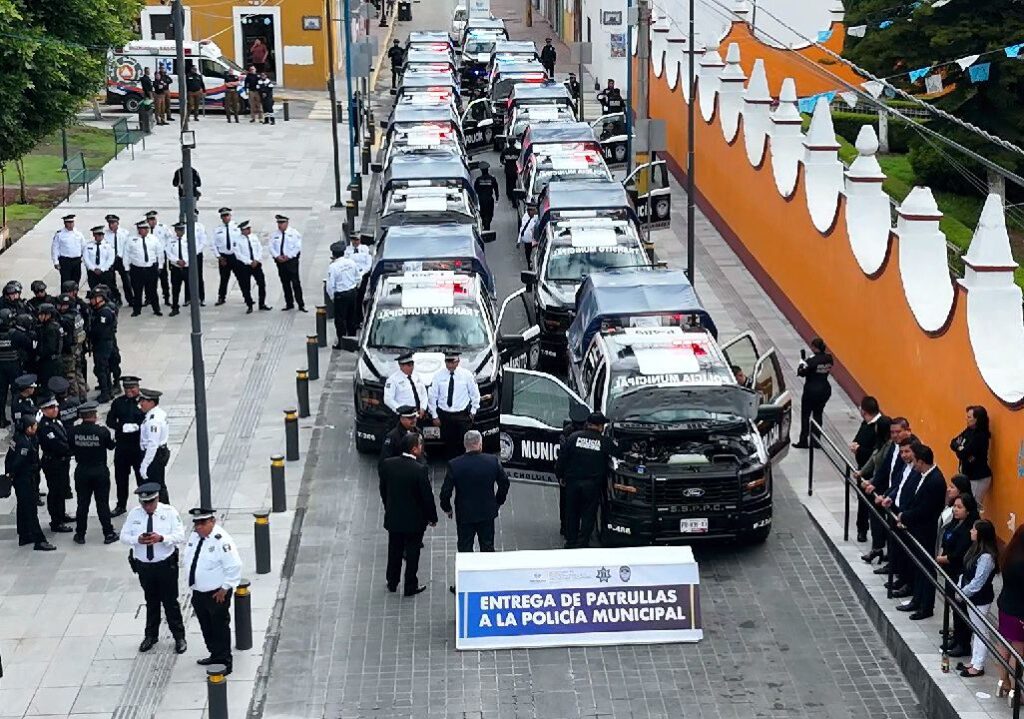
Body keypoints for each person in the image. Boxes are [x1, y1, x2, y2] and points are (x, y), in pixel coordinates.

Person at [121, 483, 188, 654]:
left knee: (170, 602)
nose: (147, 507)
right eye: (144, 503)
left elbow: (180, 535)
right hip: (144, 566)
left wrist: (162, 538)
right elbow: (124, 536)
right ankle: (151, 635)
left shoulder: (169, 512)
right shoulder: (135, 514)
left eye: (150, 503)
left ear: (157, 499)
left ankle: (179, 636)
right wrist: (137, 539)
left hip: (165, 565)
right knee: (151, 601)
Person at [440, 430, 509, 592]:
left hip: (465, 514)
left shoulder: (455, 464)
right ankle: (488, 581)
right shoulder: (492, 461)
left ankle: (465, 583)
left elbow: (445, 492)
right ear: (480, 444)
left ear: (465, 445)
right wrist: (498, 502)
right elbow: (504, 483)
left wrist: (447, 508)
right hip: (487, 512)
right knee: (487, 546)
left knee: (465, 549)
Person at [184, 507, 242, 675]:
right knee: (206, 626)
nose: (198, 527)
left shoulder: (221, 541)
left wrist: (225, 588)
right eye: (196, 523)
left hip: (216, 593)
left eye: (202, 523)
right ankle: (215, 655)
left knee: (219, 627)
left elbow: (234, 565)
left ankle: (224, 662)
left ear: (212, 521)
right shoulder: (195, 536)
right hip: (198, 592)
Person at [378, 433, 437, 596]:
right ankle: (410, 585)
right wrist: (432, 517)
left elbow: (383, 489)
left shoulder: (388, 465)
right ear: (414, 449)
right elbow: (426, 496)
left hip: (394, 518)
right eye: (420, 445)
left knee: (394, 550)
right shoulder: (419, 469)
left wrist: (388, 506)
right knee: (413, 553)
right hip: (414, 521)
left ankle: (392, 582)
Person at [894, 443, 946, 620]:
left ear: (922, 461)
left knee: (926, 568)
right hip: (918, 529)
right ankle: (917, 600)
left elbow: (925, 509)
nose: (912, 463)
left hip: (926, 532)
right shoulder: (924, 476)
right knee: (919, 567)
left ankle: (926, 606)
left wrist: (905, 516)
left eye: (914, 460)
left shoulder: (935, 480)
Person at [557, 412, 615, 549]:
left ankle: (571, 542)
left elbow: (562, 459)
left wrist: (560, 476)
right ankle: (582, 543)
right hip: (592, 486)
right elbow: (618, 452)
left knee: (572, 513)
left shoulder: (573, 438)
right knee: (588, 515)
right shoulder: (604, 442)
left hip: (573, 484)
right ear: (600, 426)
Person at [858, 417, 911, 563]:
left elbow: (901, 479)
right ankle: (878, 548)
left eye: (898, 432)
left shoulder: (910, 448)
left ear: (907, 431)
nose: (894, 435)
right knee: (877, 513)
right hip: (890, 490)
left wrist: (887, 495)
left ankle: (891, 559)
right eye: (892, 432)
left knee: (895, 527)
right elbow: (886, 467)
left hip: (898, 494)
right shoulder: (894, 445)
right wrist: (873, 483)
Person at [953, 519, 999, 678]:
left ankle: (978, 665)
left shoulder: (986, 557)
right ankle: (974, 661)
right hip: (971, 596)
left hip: (980, 598)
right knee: (976, 629)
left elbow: (979, 581)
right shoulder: (975, 550)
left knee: (981, 631)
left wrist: (963, 593)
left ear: (981, 534)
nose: (971, 531)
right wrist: (960, 588)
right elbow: (966, 572)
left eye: (974, 529)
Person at [937, 493, 980, 657]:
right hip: (949, 571)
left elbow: (960, 554)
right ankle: (956, 638)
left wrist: (943, 559)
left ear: (968, 510)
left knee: (961, 609)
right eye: (954, 506)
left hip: (960, 573)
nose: (955, 509)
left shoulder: (969, 529)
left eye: (959, 507)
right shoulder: (954, 524)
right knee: (953, 607)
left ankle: (963, 643)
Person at [69, 400, 117, 544]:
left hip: (82, 470)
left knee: (82, 504)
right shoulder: (102, 431)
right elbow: (111, 446)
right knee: (102, 503)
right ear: (94, 415)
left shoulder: (74, 431)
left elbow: (70, 447)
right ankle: (108, 533)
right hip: (99, 470)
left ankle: (80, 534)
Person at [5, 416, 56, 550]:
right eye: (34, 426)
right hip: (25, 479)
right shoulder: (25, 444)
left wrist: (9, 472)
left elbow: (9, 457)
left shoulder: (16, 438)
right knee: (30, 509)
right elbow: (18, 462)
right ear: (28, 428)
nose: (36, 428)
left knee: (22, 507)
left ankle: (24, 535)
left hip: (19, 480)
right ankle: (39, 540)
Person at [850, 396, 890, 543]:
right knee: (863, 502)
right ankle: (863, 529)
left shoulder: (881, 427)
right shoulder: (866, 424)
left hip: (874, 475)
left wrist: (859, 450)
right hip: (864, 471)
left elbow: (875, 455)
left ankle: (876, 538)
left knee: (873, 506)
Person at [427, 351, 480, 460]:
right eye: (448, 362)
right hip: (445, 415)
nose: (450, 365)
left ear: (458, 361)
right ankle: (451, 463)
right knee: (449, 443)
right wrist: (434, 415)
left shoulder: (467, 375)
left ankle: (464, 462)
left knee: (464, 442)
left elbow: (475, 394)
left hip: (462, 414)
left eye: (452, 362)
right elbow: (432, 396)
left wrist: (473, 411)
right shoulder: (438, 376)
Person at [107, 375, 146, 516]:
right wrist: (121, 426)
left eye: (132, 388)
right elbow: (110, 420)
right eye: (126, 388)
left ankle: (145, 503)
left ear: (138, 387)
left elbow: (148, 419)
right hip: (123, 445)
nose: (129, 390)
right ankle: (121, 505)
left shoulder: (144, 402)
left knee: (141, 477)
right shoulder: (118, 402)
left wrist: (138, 427)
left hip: (138, 445)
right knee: (121, 477)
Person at [995, 525, 1024, 700]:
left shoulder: (1008, 556)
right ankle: (1015, 690)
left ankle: (1002, 682)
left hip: (1005, 606)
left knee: (1004, 646)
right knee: (1018, 652)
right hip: (1020, 612)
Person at [37, 395, 74, 534]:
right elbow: (56, 445)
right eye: (51, 407)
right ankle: (56, 521)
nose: (55, 409)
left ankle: (61, 514)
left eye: (56, 406)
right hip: (53, 462)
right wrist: (71, 450)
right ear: (43, 410)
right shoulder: (45, 426)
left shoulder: (56, 422)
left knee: (62, 489)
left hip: (62, 461)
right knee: (55, 492)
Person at [792, 337, 833, 449]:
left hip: (811, 391)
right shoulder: (829, 358)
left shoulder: (811, 361)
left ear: (814, 347)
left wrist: (802, 363)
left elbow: (801, 373)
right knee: (818, 414)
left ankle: (803, 441)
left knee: (805, 416)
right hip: (824, 390)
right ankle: (816, 441)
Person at [950, 405, 992, 511]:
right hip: (968, 476)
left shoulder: (980, 436)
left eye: (969, 417)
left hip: (978, 478)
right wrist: (960, 448)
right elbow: (953, 442)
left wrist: (961, 449)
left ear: (977, 419)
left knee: (972, 508)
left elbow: (964, 453)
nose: (966, 419)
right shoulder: (968, 431)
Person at [326, 241, 361, 348]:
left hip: (341, 295)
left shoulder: (333, 267)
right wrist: (354, 288)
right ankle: (352, 340)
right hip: (352, 293)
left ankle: (341, 342)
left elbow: (330, 285)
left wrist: (333, 297)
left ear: (333, 254)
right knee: (352, 318)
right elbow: (358, 277)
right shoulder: (351, 262)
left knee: (340, 320)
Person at [138, 388, 170, 503]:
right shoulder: (157, 413)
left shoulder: (153, 420)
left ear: (151, 403)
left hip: (154, 455)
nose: (141, 404)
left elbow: (152, 444)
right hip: (159, 452)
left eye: (143, 401)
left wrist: (145, 465)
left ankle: (163, 507)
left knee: (156, 485)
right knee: (158, 484)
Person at [127, 220, 163, 317]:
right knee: (137, 291)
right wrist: (126, 267)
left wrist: (160, 266)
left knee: (153, 290)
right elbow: (126, 254)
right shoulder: (131, 240)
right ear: (139, 230)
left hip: (150, 268)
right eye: (143, 229)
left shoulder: (153, 239)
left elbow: (159, 253)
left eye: (147, 228)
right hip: (137, 269)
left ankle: (156, 309)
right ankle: (137, 310)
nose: (146, 230)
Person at [270, 215, 305, 312]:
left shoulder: (294, 233)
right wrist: (277, 256)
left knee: (295, 283)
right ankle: (289, 303)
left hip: (291, 262)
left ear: (287, 223)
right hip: (280, 262)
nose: (280, 225)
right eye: (278, 223)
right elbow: (271, 247)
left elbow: (297, 247)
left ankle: (301, 304)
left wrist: (288, 256)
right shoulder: (275, 235)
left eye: (282, 223)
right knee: (285, 283)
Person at [88, 287, 118, 403]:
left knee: (102, 368)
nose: (91, 301)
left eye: (93, 299)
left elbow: (100, 331)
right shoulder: (99, 310)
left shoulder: (104, 313)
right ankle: (108, 391)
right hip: (102, 343)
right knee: (104, 368)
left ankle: (105, 393)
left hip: (103, 344)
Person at [237, 221, 272, 313]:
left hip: (256, 264)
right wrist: (249, 262)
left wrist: (256, 260)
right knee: (246, 286)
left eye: (249, 228)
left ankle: (262, 303)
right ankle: (249, 304)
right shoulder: (237, 240)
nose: (249, 230)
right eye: (247, 229)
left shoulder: (254, 237)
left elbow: (259, 248)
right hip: (245, 266)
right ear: (242, 230)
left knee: (261, 283)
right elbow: (238, 255)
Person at [55, 295, 85, 400]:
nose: (60, 307)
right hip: (78, 348)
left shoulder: (66, 319)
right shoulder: (77, 314)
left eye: (63, 305)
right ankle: (82, 395)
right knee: (78, 373)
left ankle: (74, 397)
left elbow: (66, 338)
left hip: (70, 351)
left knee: (70, 375)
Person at [213, 207, 244, 306]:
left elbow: (241, 242)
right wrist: (219, 257)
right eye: (223, 216)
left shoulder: (237, 227)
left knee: (241, 277)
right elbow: (213, 244)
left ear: (230, 216)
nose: (225, 217)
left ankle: (246, 296)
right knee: (224, 278)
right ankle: (221, 297)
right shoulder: (217, 229)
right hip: (224, 257)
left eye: (227, 215)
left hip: (235, 256)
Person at [379, 405, 420, 470]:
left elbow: (422, 453)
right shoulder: (392, 436)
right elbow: (384, 462)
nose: (414, 420)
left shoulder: (418, 432)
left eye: (415, 417)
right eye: (410, 418)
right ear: (401, 419)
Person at [103, 214, 132, 305]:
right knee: (111, 281)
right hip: (110, 259)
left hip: (122, 259)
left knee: (127, 280)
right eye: (109, 223)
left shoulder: (125, 233)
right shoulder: (105, 234)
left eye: (113, 223)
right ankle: (116, 298)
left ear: (117, 223)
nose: (111, 225)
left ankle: (130, 299)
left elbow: (128, 247)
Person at [343, 234, 372, 324]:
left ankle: (361, 318)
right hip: (352, 276)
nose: (355, 242)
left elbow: (368, 264)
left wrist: (362, 273)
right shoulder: (347, 251)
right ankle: (356, 319)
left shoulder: (365, 249)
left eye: (357, 240)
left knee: (361, 297)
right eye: (353, 240)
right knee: (355, 299)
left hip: (363, 275)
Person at [34, 303, 63, 390]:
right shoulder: (55, 325)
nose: (40, 317)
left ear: (48, 315)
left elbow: (49, 347)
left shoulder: (50, 328)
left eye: (42, 315)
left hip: (50, 361)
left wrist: (39, 355)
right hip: (55, 360)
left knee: (48, 386)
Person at [0, 309, 21, 428]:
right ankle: (16, 418)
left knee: (1, 394)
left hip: (1, 367)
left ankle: (1, 419)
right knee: (16, 393)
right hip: (13, 366)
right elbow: (27, 344)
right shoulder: (15, 334)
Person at [51, 214, 85, 285]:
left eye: (72, 222)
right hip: (65, 261)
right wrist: (56, 262)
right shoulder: (59, 234)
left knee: (76, 280)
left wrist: (83, 258)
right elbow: (55, 248)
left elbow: (83, 247)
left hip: (76, 260)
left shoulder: (79, 234)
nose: (71, 224)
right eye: (68, 222)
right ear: (65, 223)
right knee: (65, 281)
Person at [166, 222, 191, 317]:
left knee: (190, 287)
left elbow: (192, 251)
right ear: (175, 230)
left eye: (182, 229)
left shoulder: (188, 239)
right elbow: (168, 253)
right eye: (179, 230)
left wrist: (185, 261)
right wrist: (177, 261)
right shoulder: (170, 240)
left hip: (187, 267)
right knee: (175, 289)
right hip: (176, 268)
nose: (181, 231)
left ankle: (191, 305)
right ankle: (175, 308)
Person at [83, 226, 116, 295]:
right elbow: (86, 258)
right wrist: (93, 268)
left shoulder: (109, 246)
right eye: (98, 234)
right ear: (94, 235)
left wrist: (102, 269)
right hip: (92, 272)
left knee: (107, 290)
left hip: (105, 272)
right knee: (94, 290)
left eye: (101, 234)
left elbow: (110, 259)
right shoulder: (88, 245)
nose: (100, 236)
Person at [473, 162, 500, 231]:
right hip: (489, 199)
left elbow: (475, 189)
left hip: (481, 199)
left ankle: (484, 224)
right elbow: (496, 188)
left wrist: (480, 193)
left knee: (482, 213)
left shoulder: (478, 179)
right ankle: (487, 225)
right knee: (489, 214)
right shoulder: (492, 179)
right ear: (488, 170)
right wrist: (497, 197)